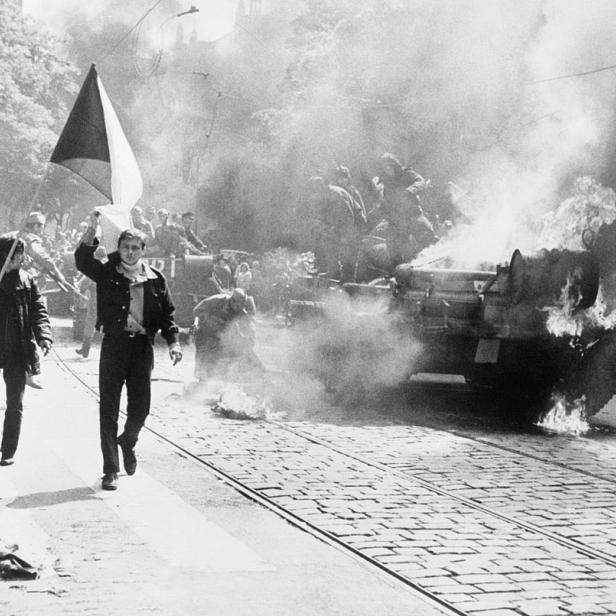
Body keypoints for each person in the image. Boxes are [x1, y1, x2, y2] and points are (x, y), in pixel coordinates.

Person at [75, 211, 183, 491]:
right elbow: (83, 260)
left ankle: (128, 440)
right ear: (119, 249)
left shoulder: (156, 279)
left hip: (141, 349)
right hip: (114, 346)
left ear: (143, 251)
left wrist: (174, 342)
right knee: (108, 409)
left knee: (141, 408)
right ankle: (110, 469)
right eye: (126, 247)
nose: (131, 253)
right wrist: (92, 227)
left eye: (136, 248)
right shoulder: (108, 270)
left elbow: (168, 315)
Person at [0, 235, 52, 466]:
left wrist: (44, 337)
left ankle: (7, 451)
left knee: (15, 403)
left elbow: (38, 312)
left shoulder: (27, 280)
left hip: (17, 349)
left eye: (20, 253)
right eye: (15, 254)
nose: (20, 258)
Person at [371, 153, 437, 263]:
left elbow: (420, 182)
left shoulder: (406, 174)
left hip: (413, 215)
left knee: (428, 238)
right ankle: (397, 273)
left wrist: (408, 192)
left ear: (394, 165)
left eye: (389, 166)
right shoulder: (385, 181)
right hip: (397, 221)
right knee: (393, 249)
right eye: (385, 168)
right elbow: (384, 200)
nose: (388, 170)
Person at [192, 287, 261, 382]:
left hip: (219, 336)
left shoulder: (241, 312)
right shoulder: (217, 300)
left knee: (225, 355)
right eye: (238, 305)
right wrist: (211, 321)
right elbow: (197, 310)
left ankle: (219, 379)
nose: (240, 308)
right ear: (232, 301)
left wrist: (247, 340)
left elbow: (248, 329)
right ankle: (202, 378)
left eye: (242, 305)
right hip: (204, 332)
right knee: (205, 354)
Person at [16, 211, 69, 293]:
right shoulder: (29, 238)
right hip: (20, 281)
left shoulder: (15, 235)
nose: (43, 230)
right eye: (43, 227)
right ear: (36, 226)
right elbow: (40, 256)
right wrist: (57, 272)